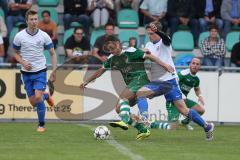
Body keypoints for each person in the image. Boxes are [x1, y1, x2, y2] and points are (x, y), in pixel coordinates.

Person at [80, 40, 174, 140]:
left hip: (140, 78)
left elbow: (149, 56)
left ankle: (124, 121)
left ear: (118, 45)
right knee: (119, 108)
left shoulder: (131, 51)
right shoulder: (112, 59)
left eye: (113, 48)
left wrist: (165, 65)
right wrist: (87, 81)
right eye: (110, 50)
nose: (113, 51)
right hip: (131, 84)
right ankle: (142, 129)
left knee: (123, 99)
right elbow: (100, 71)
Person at [136, 22, 215, 141]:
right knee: (140, 93)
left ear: (157, 32)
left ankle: (207, 127)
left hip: (169, 81)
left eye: (152, 33)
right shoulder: (149, 44)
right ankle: (145, 120)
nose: (149, 36)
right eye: (148, 34)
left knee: (183, 110)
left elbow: (166, 38)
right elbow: (143, 55)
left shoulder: (165, 42)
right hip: (157, 82)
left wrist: (158, 31)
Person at [12, 10, 57, 133]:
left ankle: (41, 125)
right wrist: (23, 63)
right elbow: (15, 53)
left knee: (37, 97)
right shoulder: (19, 36)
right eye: (31, 19)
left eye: (36, 19)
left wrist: (54, 70)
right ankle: (47, 95)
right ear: (27, 21)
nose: (34, 22)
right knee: (33, 102)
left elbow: (52, 53)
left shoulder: (44, 35)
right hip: (26, 73)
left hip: (40, 70)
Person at [162, 58, 205, 131]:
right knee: (173, 127)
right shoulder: (183, 74)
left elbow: (197, 89)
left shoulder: (196, 79)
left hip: (183, 100)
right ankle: (154, 125)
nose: (195, 65)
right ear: (189, 65)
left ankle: (185, 122)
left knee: (201, 110)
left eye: (197, 64)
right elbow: (172, 83)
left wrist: (200, 96)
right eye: (193, 63)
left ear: (199, 67)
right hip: (173, 101)